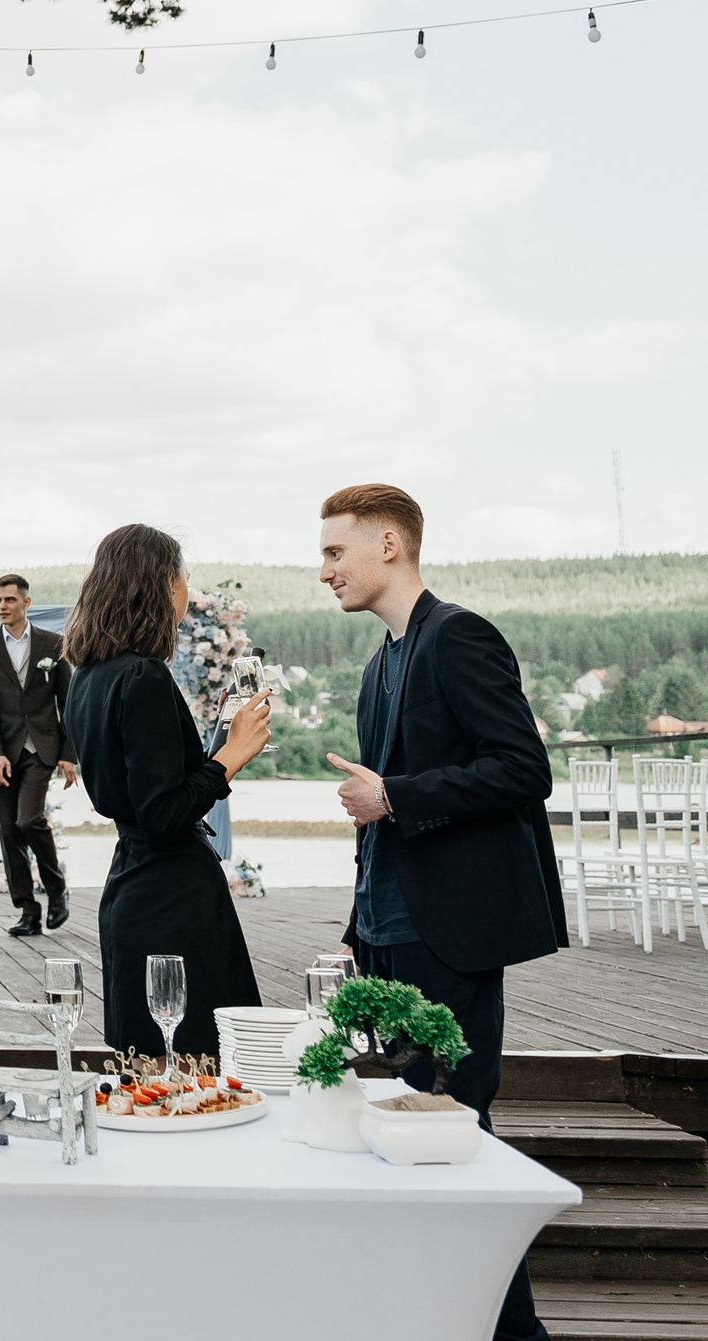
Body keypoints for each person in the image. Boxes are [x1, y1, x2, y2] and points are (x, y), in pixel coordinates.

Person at [320, 483, 563, 1341]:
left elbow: (523, 768)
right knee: (402, 1130)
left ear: (390, 543)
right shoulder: (382, 661)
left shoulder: (460, 635)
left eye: (335, 551)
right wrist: (358, 929)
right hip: (387, 936)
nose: (325, 571)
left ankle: (514, 1331)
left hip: (450, 932)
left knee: (454, 1129)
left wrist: (395, 794)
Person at [61, 523, 268, 1058]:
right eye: (184, 578)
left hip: (130, 886)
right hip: (173, 898)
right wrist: (230, 758)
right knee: (198, 1067)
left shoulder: (88, 675)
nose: (188, 591)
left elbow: (136, 792)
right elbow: (163, 811)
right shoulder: (144, 677)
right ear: (160, 584)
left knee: (148, 1070)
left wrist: (217, 737)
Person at [0, 573, 75, 937]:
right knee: (7, 832)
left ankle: (57, 888)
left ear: (26, 603)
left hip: (41, 749)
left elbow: (69, 703)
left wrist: (68, 753)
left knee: (28, 821)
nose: (2, 607)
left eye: (9, 600)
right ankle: (28, 910)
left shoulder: (54, 644)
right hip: (2, 754)